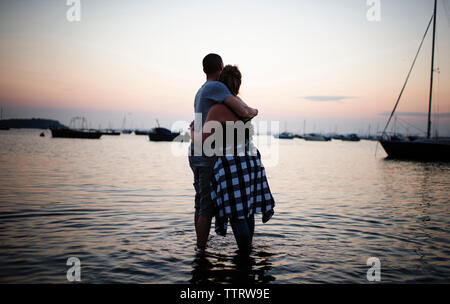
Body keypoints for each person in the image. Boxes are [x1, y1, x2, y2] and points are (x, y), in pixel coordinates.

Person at [189, 54, 258, 252]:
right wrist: (254, 110)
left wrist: (192, 133)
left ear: (204, 70)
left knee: (200, 202)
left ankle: (200, 246)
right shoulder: (217, 87)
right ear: (220, 66)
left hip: (196, 153)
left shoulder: (201, 90)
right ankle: (201, 250)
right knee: (207, 207)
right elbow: (244, 110)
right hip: (207, 154)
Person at [203, 65, 275, 254]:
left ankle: (244, 256)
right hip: (251, 160)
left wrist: (193, 130)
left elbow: (204, 139)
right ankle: (248, 256)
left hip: (230, 164)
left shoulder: (217, 108)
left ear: (221, 84)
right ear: (238, 83)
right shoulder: (242, 106)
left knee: (237, 214)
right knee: (247, 209)